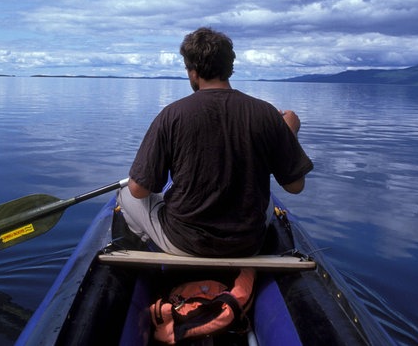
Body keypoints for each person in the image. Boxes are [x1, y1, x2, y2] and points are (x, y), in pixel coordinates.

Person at [117, 27, 313, 257]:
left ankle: (148, 249)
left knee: (125, 194)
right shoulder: (266, 113)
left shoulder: (172, 115)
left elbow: (139, 190)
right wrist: (288, 132)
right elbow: (295, 186)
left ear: (193, 72)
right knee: (269, 200)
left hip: (186, 243)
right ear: (229, 68)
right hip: (247, 243)